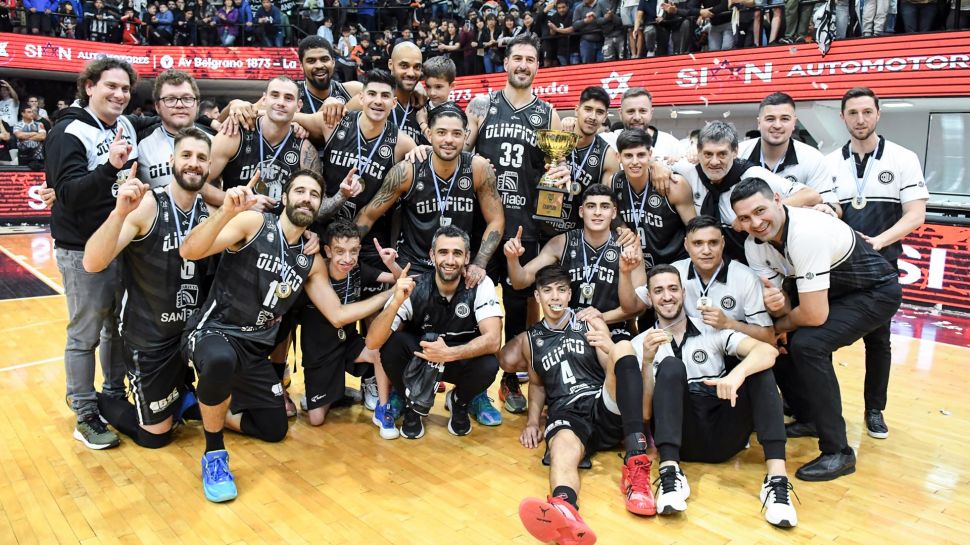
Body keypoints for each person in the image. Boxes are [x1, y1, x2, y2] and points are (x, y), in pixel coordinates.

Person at [179, 169, 392, 502]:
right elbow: (189, 251)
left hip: (255, 351)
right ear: (285, 197)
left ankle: (200, 406)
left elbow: (337, 315)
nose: (306, 198)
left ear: (319, 206)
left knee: (274, 428)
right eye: (300, 191)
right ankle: (214, 455)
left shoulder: (311, 260)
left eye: (314, 194)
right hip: (214, 331)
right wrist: (225, 213)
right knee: (220, 360)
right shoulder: (252, 223)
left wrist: (392, 294)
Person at [730, 178, 902, 481]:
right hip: (833, 293)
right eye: (744, 218)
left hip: (875, 291)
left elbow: (812, 314)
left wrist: (778, 327)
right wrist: (777, 306)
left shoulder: (805, 233)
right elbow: (786, 304)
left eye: (760, 211)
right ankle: (809, 416)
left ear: (778, 200)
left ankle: (839, 452)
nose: (755, 223)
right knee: (779, 343)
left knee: (807, 344)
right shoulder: (754, 247)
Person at [634, 264, 797, 527]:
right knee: (671, 366)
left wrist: (737, 374)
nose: (667, 296)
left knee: (759, 369)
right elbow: (644, 413)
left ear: (683, 292)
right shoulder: (641, 343)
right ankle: (669, 474)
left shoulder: (711, 328)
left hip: (724, 432)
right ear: (650, 298)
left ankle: (777, 481)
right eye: (659, 291)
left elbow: (768, 351)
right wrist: (647, 362)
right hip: (682, 438)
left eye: (673, 288)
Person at [81, 128, 213, 449]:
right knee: (155, 438)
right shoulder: (148, 205)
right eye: (186, 155)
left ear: (209, 167)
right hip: (149, 337)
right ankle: (98, 403)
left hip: (186, 335)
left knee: (204, 409)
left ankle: (180, 394)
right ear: (171, 160)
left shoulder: (208, 214)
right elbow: (92, 262)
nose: (193, 163)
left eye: (201, 158)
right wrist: (119, 213)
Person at [507, 266, 655, 545]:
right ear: (537, 296)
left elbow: (612, 368)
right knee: (561, 448)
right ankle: (565, 512)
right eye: (547, 291)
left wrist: (607, 345)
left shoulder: (588, 322)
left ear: (569, 295)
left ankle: (636, 459)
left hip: (601, 402)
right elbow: (537, 385)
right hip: (566, 413)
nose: (555, 297)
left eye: (561, 290)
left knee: (623, 347)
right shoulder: (531, 339)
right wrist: (532, 421)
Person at [463, 32, 565, 414]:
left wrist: (561, 178)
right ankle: (473, 384)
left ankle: (510, 380)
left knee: (519, 306)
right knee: (473, 300)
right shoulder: (482, 104)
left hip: (525, 225)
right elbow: (461, 153)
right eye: (517, 58)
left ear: (538, 66)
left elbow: (555, 173)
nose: (523, 65)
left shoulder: (549, 114)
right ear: (505, 63)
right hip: (483, 224)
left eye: (530, 59)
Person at [45, 58, 141, 449]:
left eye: (125, 88)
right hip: (81, 248)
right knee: (84, 334)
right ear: (89, 87)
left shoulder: (126, 125)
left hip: (120, 243)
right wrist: (107, 169)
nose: (119, 94)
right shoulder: (68, 131)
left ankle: (113, 396)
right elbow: (67, 194)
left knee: (115, 328)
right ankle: (84, 412)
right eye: (111, 86)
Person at [825, 87, 928, 439]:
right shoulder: (829, 162)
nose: (860, 119)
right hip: (837, 270)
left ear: (878, 114)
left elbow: (915, 214)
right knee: (820, 340)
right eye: (853, 113)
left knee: (879, 342)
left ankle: (874, 409)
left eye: (867, 112)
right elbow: (826, 211)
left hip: (881, 268)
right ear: (843, 117)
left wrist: (878, 241)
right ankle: (821, 410)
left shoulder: (903, 158)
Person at [365, 226, 504, 439]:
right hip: (421, 360)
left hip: (458, 359)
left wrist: (448, 353)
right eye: (443, 252)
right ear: (432, 255)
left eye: (457, 253)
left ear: (467, 257)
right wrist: (395, 302)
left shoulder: (481, 284)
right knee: (392, 346)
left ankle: (460, 401)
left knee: (489, 363)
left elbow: (494, 341)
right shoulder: (415, 286)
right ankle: (411, 403)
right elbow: (372, 342)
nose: (450, 260)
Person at [296, 219, 404, 430]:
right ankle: (336, 393)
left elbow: (401, 281)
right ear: (328, 251)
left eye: (353, 251)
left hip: (347, 343)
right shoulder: (316, 274)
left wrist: (392, 264)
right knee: (316, 419)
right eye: (340, 251)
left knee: (379, 351)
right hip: (320, 352)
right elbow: (338, 317)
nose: (347, 259)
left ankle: (383, 407)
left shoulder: (357, 269)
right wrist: (390, 294)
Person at [507, 184, 645, 341]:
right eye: (591, 206)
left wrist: (600, 318)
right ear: (581, 211)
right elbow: (520, 281)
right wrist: (512, 258)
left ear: (614, 213)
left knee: (622, 351)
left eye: (604, 206)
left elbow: (639, 306)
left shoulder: (628, 246)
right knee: (510, 353)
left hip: (614, 329)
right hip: (566, 328)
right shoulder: (561, 243)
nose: (597, 212)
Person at [671, 121, 822, 263]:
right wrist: (661, 169)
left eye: (722, 154)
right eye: (708, 154)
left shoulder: (752, 174)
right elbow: (658, 166)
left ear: (735, 151)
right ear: (698, 152)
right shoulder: (687, 169)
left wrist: (754, 214)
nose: (714, 161)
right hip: (707, 263)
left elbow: (811, 195)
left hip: (754, 263)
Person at [205, 77, 322, 212]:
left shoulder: (304, 148)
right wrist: (242, 203)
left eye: (288, 98)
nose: (281, 103)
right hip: (236, 222)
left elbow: (314, 200)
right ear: (264, 99)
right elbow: (199, 185)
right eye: (275, 95)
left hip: (281, 224)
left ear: (299, 106)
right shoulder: (234, 134)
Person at [612, 128, 694, 271]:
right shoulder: (613, 183)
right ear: (618, 157)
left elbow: (695, 229)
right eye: (628, 156)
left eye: (641, 155)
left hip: (675, 265)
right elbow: (611, 214)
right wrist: (622, 227)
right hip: (635, 264)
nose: (635, 162)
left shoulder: (674, 185)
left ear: (650, 155)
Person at [738, 93, 839, 202]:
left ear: (794, 123)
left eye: (785, 119)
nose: (777, 125)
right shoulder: (738, 154)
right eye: (770, 119)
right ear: (759, 122)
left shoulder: (813, 158)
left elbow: (830, 204)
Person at [548, 86, 620, 237]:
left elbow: (606, 204)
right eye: (588, 109)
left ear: (605, 117)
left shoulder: (608, 156)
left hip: (580, 236)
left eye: (599, 112)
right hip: (543, 227)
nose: (593, 117)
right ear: (577, 110)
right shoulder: (557, 137)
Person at [137, 70, 213, 189]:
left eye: (187, 98)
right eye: (170, 99)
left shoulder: (215, 140)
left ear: (197, 105)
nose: (179, 105)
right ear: (157, 106)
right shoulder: (140, 142)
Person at [599, 87, 683, 163]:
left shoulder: (671, 144)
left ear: (651, 113)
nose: (637, 117)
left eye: (642, 111)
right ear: (620, 114)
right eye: (631, 111)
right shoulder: (606, 142)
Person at [13, 105, 45, 170]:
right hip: (23, 156)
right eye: (29, 112)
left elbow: (42, 136)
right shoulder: (17, 125)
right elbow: (19, 135)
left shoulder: (39, 124)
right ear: (23, 114)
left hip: (37, 156)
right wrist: (34, 133)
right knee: (22, 174)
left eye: (32, 112)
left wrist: (25, 137)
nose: (32, 114)